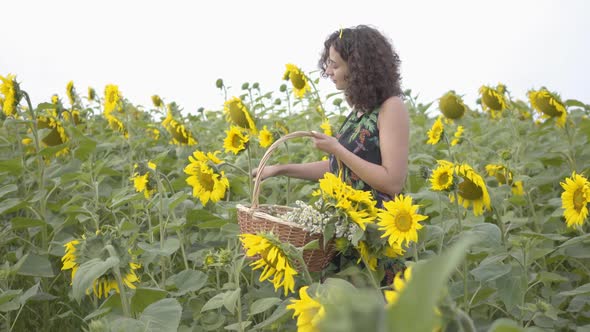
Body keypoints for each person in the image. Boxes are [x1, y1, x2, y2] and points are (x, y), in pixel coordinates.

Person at [253, 25, 409, 209]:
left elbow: (392, 183)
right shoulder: (360, 112)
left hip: (378, 227)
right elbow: (341, 168)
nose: (328, 72)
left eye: (335, 65)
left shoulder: (391, 108)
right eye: (328, 64)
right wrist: (281, 170)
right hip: (350, 223)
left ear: (359, 68)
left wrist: (337, 149)